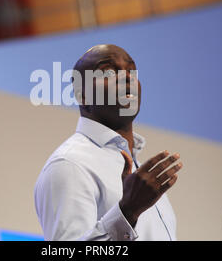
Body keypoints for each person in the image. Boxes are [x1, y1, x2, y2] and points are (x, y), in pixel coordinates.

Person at [34, 44, 183, 240]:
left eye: (131, 70)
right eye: (109, 72)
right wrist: (127, 212)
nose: (127, 77)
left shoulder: (140, 172)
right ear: (83, 95)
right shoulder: (69, 164)